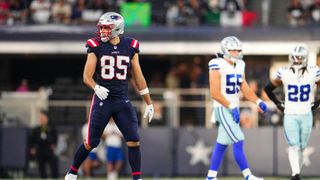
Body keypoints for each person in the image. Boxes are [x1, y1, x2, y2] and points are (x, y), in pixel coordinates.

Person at [64, 12, 154, 180]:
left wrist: (148, 102)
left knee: (134, 140)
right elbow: (86, 75)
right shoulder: (95, 46)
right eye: (102, 27)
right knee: (91, 142)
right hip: (102, 100)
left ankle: (137, 178)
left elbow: (138, 76)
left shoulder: (130, 46)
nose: (102, 31)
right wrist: (95, 86)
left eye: (106, 28)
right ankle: (72, 172)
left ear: (117, 29)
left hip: (122, 99)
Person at [206, 36, 268, 180]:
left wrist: (258, 101)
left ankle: (210, 177)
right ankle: (248, 176)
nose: (236, 53)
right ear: (225, 50)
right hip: (222, 108)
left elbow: (244, 87)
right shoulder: (216, 63)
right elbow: (214, 93)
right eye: (233, 50)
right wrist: (231, 106)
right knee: (238, 139)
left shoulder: (240, 64)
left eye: (238, 50)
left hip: (233, 108)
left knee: (221, 143)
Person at [264, 46, 320, 180]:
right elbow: (268, 88)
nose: (297, 60)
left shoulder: (313, 71)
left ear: (305, 58)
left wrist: (317, 103)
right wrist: (278, 103)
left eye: (300, 57)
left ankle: (297, 174)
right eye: (295, 57)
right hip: (290, 114)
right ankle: (295, 174)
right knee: (294, 145)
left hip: (306, 113)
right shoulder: (285, 72)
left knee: (301, 146)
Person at [29, 109, 59, 178]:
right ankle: (43, 177)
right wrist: (33, 148)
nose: (42, 119)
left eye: (44, 118)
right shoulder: (36, 129)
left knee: (53, 164)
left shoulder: (51, 128)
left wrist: (54, 144)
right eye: (41, 118)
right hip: (40, 149)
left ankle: (55, 177)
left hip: (49, 149)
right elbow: (32, 140)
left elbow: (55, 138)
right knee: (41, 166)